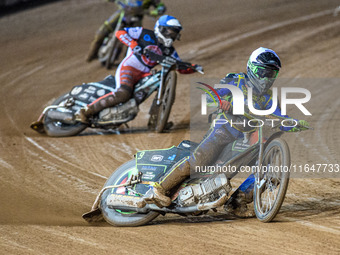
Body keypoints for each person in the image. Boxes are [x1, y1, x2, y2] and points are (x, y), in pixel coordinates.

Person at [143, 47, 310, 213]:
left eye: (271, 74)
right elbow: (211, 93)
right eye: (263, 72)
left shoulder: (270, 97)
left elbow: (278, 115)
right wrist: (221, 100)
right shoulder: (236, 80)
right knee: (199, 160)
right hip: (223, 130)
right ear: (251, 68)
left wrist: (291, 122)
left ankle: (237, 202)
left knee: (269, 172)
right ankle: (159, 189)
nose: (267, 79)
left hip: (245, 139)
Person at [77, 15, 203, 123]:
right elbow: (120, 32)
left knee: (157, 84)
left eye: (175, 33)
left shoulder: (170, 50)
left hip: (145, 75)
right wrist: (133, 44)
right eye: (170, 32)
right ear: (161, 29)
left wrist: (193, 68)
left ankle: (155, 120)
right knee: (123, 94)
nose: (172, 35)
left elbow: (179, 66)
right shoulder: (144, 33)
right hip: (129, 68)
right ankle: (86, 111)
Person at [86, 0, 167, 62]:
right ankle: (92, 54)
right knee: (103, 31)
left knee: (136, 40)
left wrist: (157, 11)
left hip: (137, 18)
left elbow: (160, 6)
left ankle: (128, 60)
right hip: (123, 13)